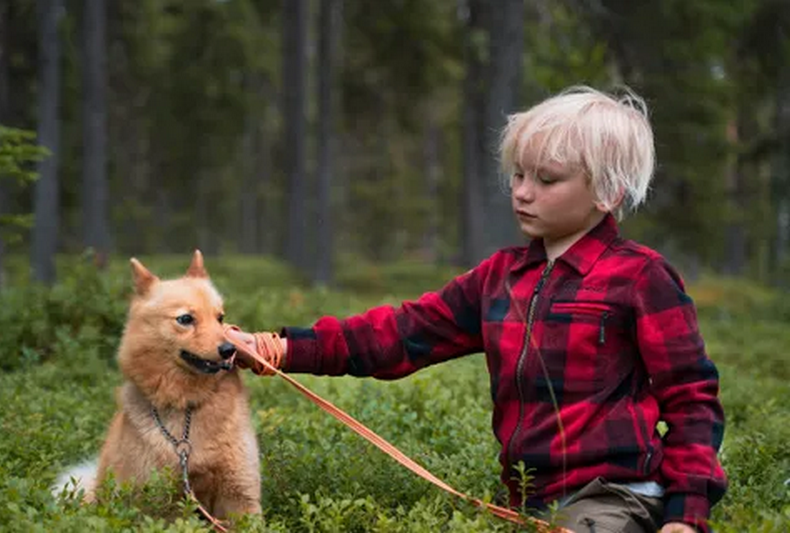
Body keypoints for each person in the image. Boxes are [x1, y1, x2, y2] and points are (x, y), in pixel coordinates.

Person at [229, 86, 727, 533]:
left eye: (547, 179)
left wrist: (686, 516)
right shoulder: (499, 277)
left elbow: (693, 402)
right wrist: (281, 348)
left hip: (616, 497)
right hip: (530, 502)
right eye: (518, 174)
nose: (522, 191)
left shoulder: (642, 277)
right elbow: (402, 334)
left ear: (608, 192)